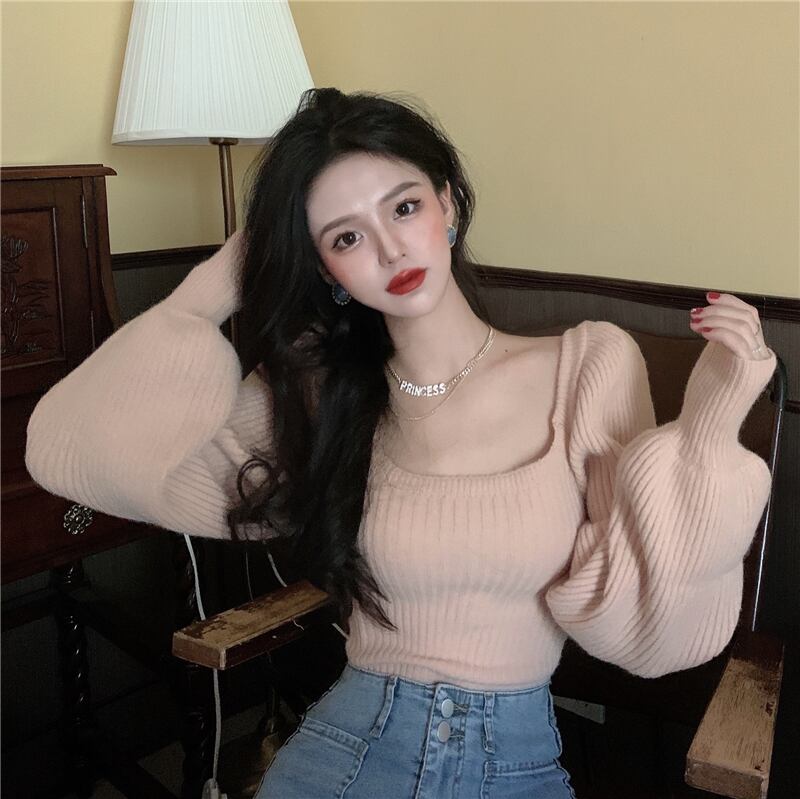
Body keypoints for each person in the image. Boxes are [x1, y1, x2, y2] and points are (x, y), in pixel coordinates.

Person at [25, 88, 776, 798]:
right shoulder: (319, 394)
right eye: (346, 236)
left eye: (404, 206)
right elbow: (70, 454)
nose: (388, 249)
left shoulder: (589, 365)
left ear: (448, 204)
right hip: (343, 753)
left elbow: (647, 634)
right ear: (326, 266)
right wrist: (217, 285)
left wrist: (712, 421)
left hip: (510, 761)